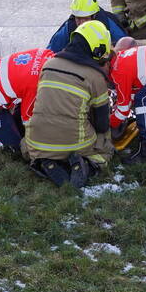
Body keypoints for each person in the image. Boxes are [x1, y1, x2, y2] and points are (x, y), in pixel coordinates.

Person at [24, 21, 113, 188]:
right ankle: (89, 166)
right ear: (98, 50)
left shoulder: (48, 65)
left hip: (38, 142)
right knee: (105, 141)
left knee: (27, 141)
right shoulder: (95, 77)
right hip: (75, 143)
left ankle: (46, 162)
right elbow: (102, 124)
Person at [46, 0, 128, 53]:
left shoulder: (108, 23)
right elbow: (51, 51)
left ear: (94, 16)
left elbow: (125, 47)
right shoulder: (69, 27)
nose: (82, 23)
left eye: (85, 19)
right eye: (78, 18)